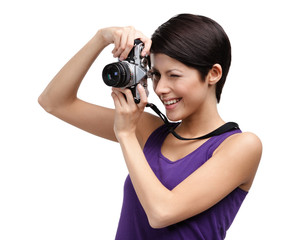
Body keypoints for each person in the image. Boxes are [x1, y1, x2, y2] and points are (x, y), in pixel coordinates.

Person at [38, 14, 262, 240]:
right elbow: (54, 102)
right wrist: (101, 37)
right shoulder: (149, 129)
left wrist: (125, 134)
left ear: (213, 74)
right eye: (155, 75)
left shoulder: (241, 146)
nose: (161, 88)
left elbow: (162, 212)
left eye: (174, 75)